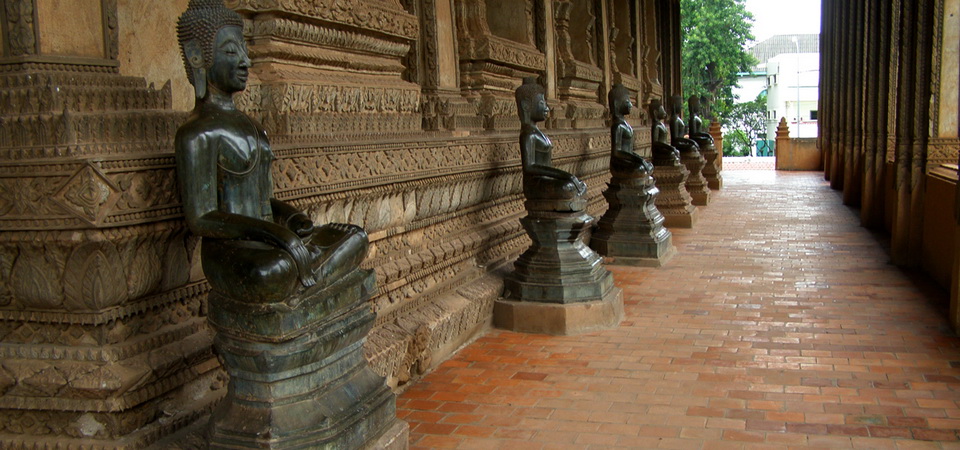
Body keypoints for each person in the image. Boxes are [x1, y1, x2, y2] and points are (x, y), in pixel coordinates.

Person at [175, 0, 367, 303]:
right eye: (230, 51)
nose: (245, 62)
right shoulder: (197, 133)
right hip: (234, 252)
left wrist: (292, 220)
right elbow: (201, 218)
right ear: (197, 57)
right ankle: (313, 275)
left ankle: (307, 275)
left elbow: (263, 200)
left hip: (274, 242)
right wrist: (277, 235)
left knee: (356, 236)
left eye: (244, 50)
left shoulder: (254, 127)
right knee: (271, 272)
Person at [515, 77, 587, 211]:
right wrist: (566, 175)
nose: (547, 108)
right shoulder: (528, 134)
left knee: (575, 185)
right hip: (535, 186)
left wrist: (567, 177)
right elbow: (530, 167)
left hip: (547, 180)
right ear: (526, 105)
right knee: (568, 187)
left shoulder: (536, 132)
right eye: (542, 103)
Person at [608, 84, 653, 177]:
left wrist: (639, 159)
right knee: (640, 169)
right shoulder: (617, 126)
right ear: (617, 104)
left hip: (628, 160)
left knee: (649, 166)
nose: (631, 105)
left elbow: (629, 151)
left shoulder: (625, 125)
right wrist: (639, 160)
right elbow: (616, 153)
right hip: (619, 164)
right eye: (627, 101)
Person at [650, 98, 681, 163]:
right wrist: (669, 147)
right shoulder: (656, 126)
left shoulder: (661, 124)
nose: (665, 112)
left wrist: (669, 147)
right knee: (672, 154)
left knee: (675, 152)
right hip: (659, 151)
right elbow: (656, 143)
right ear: (655, 113)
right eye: (662, 110)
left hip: (665, 148)